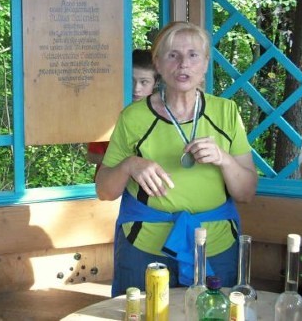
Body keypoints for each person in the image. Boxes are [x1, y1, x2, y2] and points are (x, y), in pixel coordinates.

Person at [95, 21, 257, 297]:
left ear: (205, 64)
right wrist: (129, 165)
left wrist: (223, 159)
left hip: (215, 244)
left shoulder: (226, 113)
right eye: (173, 55)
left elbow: (246, 193)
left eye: (193, 55)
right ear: (158, 63)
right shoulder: (133, 117)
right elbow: (105, 191)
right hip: (145, 245)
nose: (183, 64)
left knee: (212, 315)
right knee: (141, 315)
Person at [86, 49, 158, 173]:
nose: (136, 88)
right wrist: (128, 164)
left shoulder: (164, 113)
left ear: (156, 83)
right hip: (111, 181)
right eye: (131, 80)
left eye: (144, 82)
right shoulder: (108, 112)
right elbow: (92, 156)